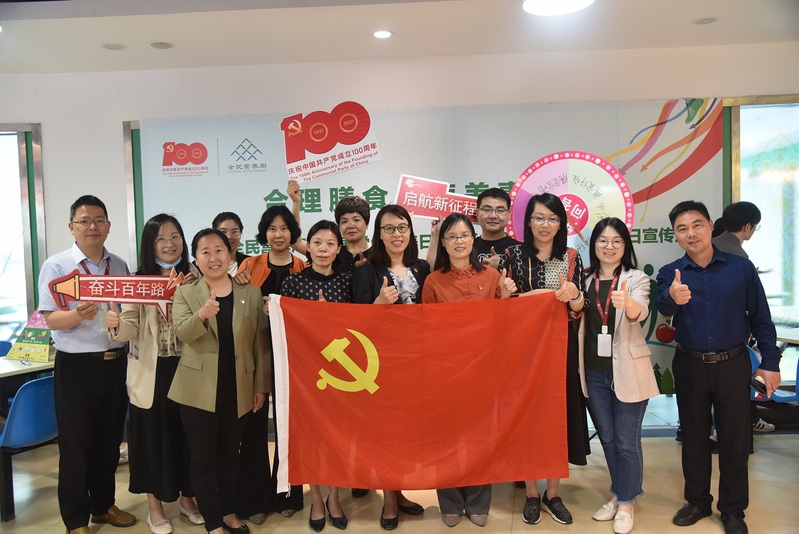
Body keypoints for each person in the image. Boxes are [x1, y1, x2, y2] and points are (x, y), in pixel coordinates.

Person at [656, 200, 781, 534]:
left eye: (697, 225)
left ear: (711, 225)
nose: (691, 234)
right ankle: (697, 501)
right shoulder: (671, 273)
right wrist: (672, 298)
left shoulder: (740, 268)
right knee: (694, 436)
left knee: (735, 439)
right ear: (675, 235)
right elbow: (663, 306)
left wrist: (770, 363)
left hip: (733, 363)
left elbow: (762, 318)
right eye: (682, 229)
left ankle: (733, 509)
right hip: (690, 364)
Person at [37, 195, 137, 534]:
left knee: (109, 442)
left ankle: (103, 506)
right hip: (77, 367)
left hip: (115, 363)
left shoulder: (119, 266)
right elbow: (50, 319)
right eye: (84, 221)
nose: (92, 226)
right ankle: (75, 519)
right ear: (71, 227)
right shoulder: (57, 266)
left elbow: (129, 311)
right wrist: (76, 315)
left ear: (108, 226)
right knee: (76, 446)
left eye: (99, 220)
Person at [105, 214, 202, 534]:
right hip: (152, 371)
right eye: (161, 238)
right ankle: (155, 507)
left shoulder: (195, 276)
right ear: (150, 244)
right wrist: (116, 325)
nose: (170, 244)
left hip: (188, 368)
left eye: (175, 236)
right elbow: (130, 326)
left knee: (188, 437)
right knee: (152, 440)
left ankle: (188, 499)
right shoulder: (138, 280)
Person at [169, 229, 269, 534]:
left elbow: (260, 344)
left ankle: (227, 511)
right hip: (197, 390)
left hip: (238, 388)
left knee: (230, 454)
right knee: (202, 457)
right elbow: (182, 333)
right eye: (205, 252)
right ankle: (212, 521)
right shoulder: (186, 293)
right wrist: (201, 314)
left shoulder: (250, 293)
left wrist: (260, 386)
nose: (213, 258)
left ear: (229, 254)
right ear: (196, 259)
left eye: (219, 250)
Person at [422, 213, 517, 528]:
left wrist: (507, 294)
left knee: (481, 439)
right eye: (451, 236)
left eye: (464, 235)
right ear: (443, 242)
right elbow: (426, 328)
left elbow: (505, 322)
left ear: (473, 239)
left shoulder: (491, 277)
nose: (458, 241)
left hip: (483, 371)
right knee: (446, 439)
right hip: (445, 372)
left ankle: (477, 502)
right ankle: (450, 501)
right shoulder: (434, 281)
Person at [504, 192, 590, 526]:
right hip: (522, 348)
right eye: (539, 217)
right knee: (527, 415)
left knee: (558, 415)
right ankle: (530, 492)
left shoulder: (571, 257)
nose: (545, 224)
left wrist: (575, 295)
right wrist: (514, 294)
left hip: (560, 347)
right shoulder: (512, 255)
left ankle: (552, 493)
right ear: (528, 221)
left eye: (553, 218)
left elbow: (578, 309)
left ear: (561, 224)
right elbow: (505, 305)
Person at [577, 218, 659, 534]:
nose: (609, 246)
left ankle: (626, 502)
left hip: (628, 370)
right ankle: (619, 492)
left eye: (616, 241)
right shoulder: (585, 279)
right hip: (593, 373)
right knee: (608, 439)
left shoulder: (635, 278)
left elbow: (641, 311)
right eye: (602, 240)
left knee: (626, 441)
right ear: (594, 245)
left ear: (625, 246)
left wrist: (630, 305)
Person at [351, 204, 429, 529]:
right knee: (384, 434)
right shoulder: (366, 270)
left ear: (410, 232)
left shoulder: (422, 268)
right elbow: (356, 325)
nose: (396, 234)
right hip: (380, 365)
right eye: (389, 228)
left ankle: (400, 491)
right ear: (379, 234)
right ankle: (389, 499)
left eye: (402, 227)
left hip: (416, 363)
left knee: (407, 434)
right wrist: (379, 304)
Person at [278, 220, 353, 532]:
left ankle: (335, 497)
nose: (323, 249)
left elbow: (358, 327)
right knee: (311, 438)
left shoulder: (347, 281)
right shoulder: (293, 283)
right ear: (307, 246)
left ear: (338, 249)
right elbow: (284, 327)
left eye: (330, 244)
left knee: (337, 438)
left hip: (342, 374)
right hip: (306, 374)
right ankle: (317, 498)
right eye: (317, 243)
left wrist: (329, 318)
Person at [236, 206, 306, 517]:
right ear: (264, 233)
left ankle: (287, 496)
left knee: (290, 426)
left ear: (293, 233)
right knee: (253, 426)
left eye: (284, 228)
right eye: (272, 228)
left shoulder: (303, 266)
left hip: (293, 356)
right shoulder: (249, 266)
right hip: (257, 353)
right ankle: (255, 500)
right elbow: (236, 307)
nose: (278, 234)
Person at [711, 201, 775, 435]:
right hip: (729, 339)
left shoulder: (711, 246)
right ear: (748, 226)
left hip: (699, 340)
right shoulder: (738, 255)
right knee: (731, 394)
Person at [426, 187, 520, 269]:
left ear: (508, 214)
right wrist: (435, 234)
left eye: (500, 210)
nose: (493, 216)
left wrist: (503, 265)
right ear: (477, 213)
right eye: (487, 210)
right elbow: (433, 271)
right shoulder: (464, 245)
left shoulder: (519, 249)